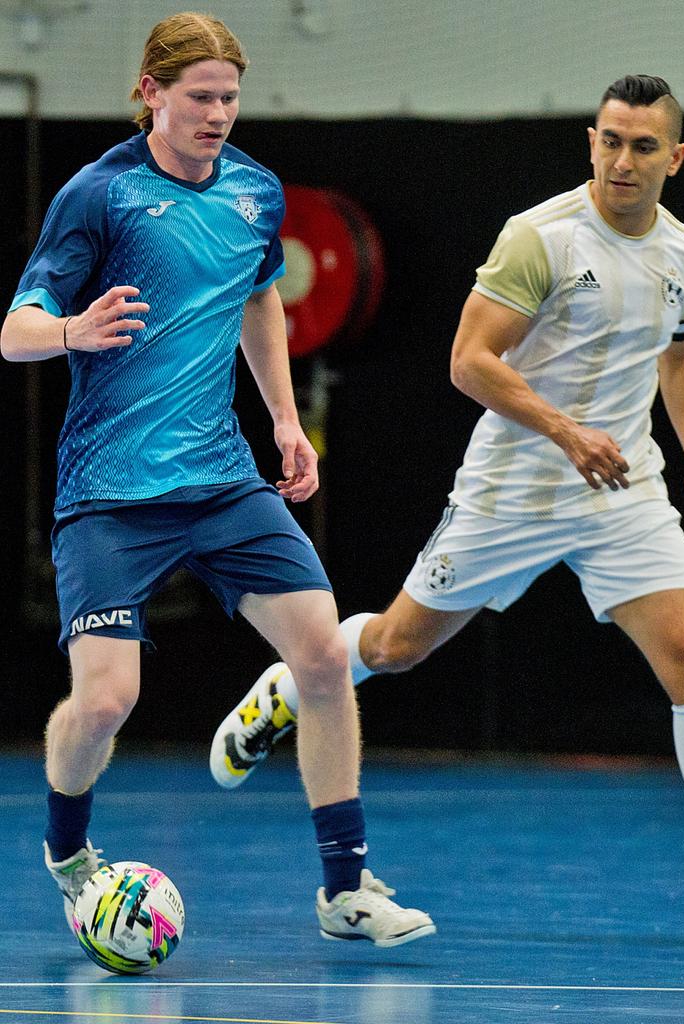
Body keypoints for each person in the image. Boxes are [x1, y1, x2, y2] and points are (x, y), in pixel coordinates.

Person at [210, 74, 684, 946]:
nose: (624, 161)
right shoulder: (539, 239)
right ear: (591, 142)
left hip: (623, 490)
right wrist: (563, 429)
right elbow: (469, 361)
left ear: (677, 158)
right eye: (611, 141)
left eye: (644, 146)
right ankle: (292, 681)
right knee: (397, 646)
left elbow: (683, 355)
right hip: (514, 487)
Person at [1, 11, 434, 949]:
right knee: (106, 700)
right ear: (150, 94)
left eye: (230, 98)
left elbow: (259, 293)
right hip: (111, 493)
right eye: (200, 97)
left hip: (222, 480)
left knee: (322, 656)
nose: (218, 115)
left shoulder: (254, 192)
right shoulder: (100, 196)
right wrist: (72, 329)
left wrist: (281, 417)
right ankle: (67, 849)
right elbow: (14, 328)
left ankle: (345, 889)